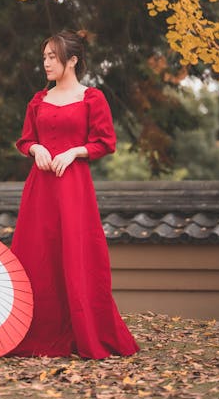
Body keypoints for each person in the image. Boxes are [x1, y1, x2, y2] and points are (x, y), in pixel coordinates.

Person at [7, 30, 139, 359]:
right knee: (37, 254)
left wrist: (75, 151)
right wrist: (35, 147)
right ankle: (34, 332)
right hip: (40, 189)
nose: (47, 63)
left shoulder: (92, 98)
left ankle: (84, 332)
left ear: (73, 61)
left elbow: (105, 142)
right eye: (45, 57)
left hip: (73, 186)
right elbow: (24, 140)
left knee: (76, 256)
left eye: (53, 57)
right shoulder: (38, 100)